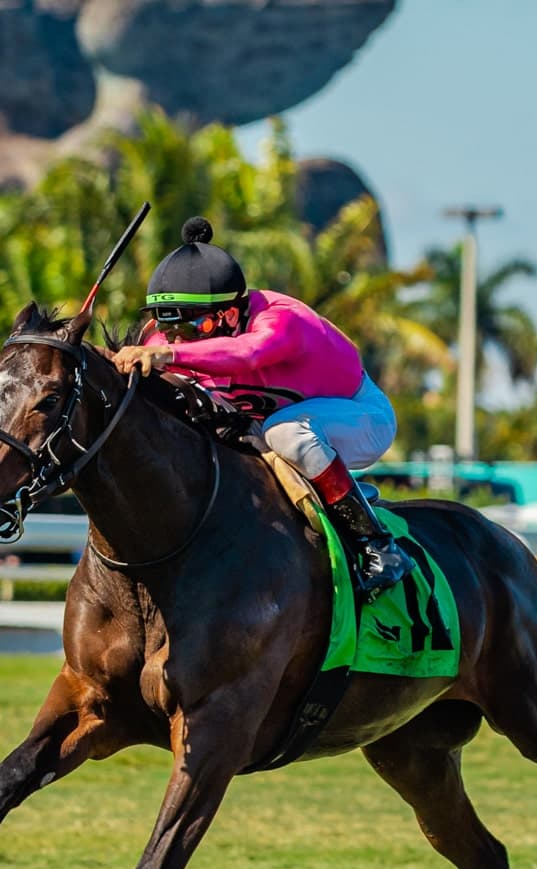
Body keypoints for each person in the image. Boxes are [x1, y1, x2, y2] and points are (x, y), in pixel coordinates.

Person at [110, 216, 411, 598]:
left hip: (360, 417)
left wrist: (168, 353)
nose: (171, 338)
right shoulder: (168, 338)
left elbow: (250, 353)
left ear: (231, 315)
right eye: (165, 328)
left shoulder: (283, 319)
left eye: (188, 328)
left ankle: (378, 545)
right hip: (275, 422)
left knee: (284, 430)